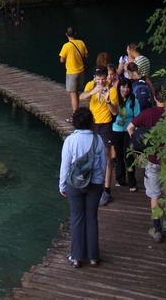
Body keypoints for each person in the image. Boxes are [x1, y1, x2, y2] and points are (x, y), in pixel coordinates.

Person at [59, 106, 106, 268]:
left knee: (77, 218)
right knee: (91, 218)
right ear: (91, 122)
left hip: (74, 184)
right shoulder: (98, 139)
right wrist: (100, 183)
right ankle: (93, 257)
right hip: (95, 183)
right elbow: (102, 165)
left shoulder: (70, 140)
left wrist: (62, 185)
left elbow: (65, 166)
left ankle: (77, 257)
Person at [128, 88, 166, 242]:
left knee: (155, 195)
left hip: (153, 160)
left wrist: (138, 146)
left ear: (154, 98)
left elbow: (130, 127)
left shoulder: (148, 113)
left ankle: (157, 229)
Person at [79, 67, 118, 206]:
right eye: (98, 78)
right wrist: (93, 91)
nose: (101, 80)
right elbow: (81, 97)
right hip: (92, 124)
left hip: (105, 125)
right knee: (91, 154)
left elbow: (114, 112)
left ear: (107, 77)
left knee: (107, 158)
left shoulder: (112, 90)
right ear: (95, 77)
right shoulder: (91, 85)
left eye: (103, 78)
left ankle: (106, 190)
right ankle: (92, 184)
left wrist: (107, 101)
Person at [111, 77, 140, 191]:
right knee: (118, 156)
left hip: (129, 131)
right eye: (123, 87)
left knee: (129, 156)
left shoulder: (133, 100)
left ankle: (132, 182)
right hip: (116, 130)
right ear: (119, 88)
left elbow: (137, 116)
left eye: (128, 87)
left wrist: (135, 129)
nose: (126, 89)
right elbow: (112, 112)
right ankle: (120, 179)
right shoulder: (115, 98)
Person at [59, 27, 88, 121]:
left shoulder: (66, 46)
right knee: (77, 92)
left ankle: (75, 115)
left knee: (73, 93)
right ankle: (78, 112)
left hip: (72, 73)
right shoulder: (81, 42)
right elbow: (85, 55)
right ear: (75, 34)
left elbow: (61, 60)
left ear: (66, 34)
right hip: (81, 71)